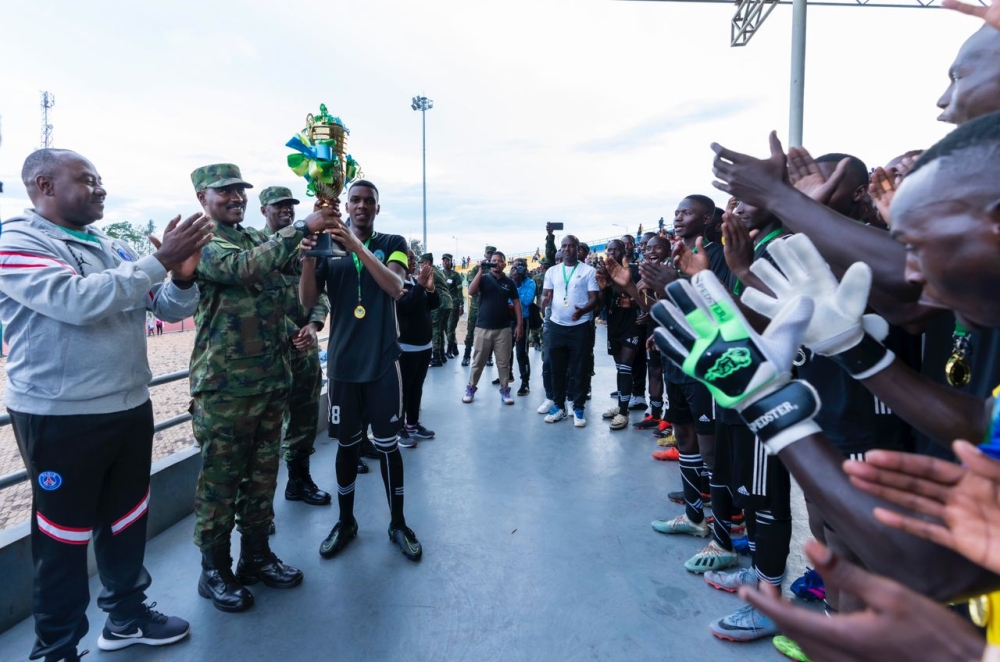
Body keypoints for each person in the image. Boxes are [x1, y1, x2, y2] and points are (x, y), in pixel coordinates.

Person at [0, 148, 211, 661]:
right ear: (45, 185)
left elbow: (164, 307)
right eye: (87, 180)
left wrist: (182, 276)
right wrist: (157, 261)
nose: (101, 189)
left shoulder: (110, 244)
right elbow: (76, 301)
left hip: (129, 405)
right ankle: (56, 648)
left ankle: (126, 617)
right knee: (62, 537)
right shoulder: (17, 241)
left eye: (100, 180)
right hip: (60, 416)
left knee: (126, 519)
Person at [190, 164, 331, 613]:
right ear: (202, 198)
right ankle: (214, 569)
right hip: (225, 389)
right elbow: (243, 269)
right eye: (225, 191)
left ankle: (255, 556)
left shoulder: (253, 237)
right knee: (221, 483)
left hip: (271, 380)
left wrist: (316, 234)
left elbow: (286, 273)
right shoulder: (203, 241)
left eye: (240, 191)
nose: (236, 197)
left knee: (263, 477)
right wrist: (301, 228)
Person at [299, 179, 423, 562]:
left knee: (388, 448)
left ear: (377, 208)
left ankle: (398, 523)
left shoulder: (392, 243)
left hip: (383, 363)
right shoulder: (328, 246)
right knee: (347, 447)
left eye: (369, 201)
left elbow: (395, 286)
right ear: (347, 205)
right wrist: (308, 258)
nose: (362, 206)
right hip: (343, 367)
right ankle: (346, 522)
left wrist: (356, 246)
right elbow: (307, 300)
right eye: (355, 200)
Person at [652, 195, 732, 539]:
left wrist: (674, 283)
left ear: (707, 218)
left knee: (710, 449)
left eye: (687, 212)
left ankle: (725, 530)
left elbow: (721, 308)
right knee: (685, 437)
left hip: (705, 363)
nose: (678, 217)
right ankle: (693, 515)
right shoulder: (674, 255)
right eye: (676, 212)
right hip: (677, 360)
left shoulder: (717, 256)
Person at [258, 185, 332, 506]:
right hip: (271, 350)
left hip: (305, 347)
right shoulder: (257, 246)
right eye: (279, 205)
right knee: (267, 425)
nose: (286, 209)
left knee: (304, 416)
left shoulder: (307, 245)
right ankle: (259, 505)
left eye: (290, 205)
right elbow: (258, 298)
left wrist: (313, 325)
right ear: (264, 210)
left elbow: (320, 292)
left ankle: (299, 481)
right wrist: (291, 330)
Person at [540, 235, 600, 427]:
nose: (567, 249)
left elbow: (594, 299)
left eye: (571, 246)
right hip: (556, 326)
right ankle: (558, 406)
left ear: (577, 248)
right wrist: (544, 301)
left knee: (579, 369)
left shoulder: (588, 271)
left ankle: (578, 407)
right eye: (564, 246)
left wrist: (582, 311)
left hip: (579, 327)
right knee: (557, 369)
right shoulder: (552, 271)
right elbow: (545, 295)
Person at [463, 250, 522, 405]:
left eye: (499, 261)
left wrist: (519, 325)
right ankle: (471, 388)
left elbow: (517, 303)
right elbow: (471, 291)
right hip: (483, 327)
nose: (496, 263)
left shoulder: (509, 282)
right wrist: (480, 270)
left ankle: (505, 390)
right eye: (493, 260)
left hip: (503, 329)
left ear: (504, 263)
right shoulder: (483, 278)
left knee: (503, 363)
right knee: (478, 361)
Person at [597, 240, 642, 431]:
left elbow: (641, 297)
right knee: (619, 368)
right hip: (613, 324)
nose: (612, 252)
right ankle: (621, 406)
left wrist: (618, 287)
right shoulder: (603, 271)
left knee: (625, 367)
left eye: (617, 249)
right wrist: (602, 288)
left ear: (624, 251)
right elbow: (601, 305)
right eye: (610, 249)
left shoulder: (634, 270)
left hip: (632, 324)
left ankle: (623, 412)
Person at [397, 252, 440, 445]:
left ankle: (412, 425)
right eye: (410, 259)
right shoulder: (395, 284)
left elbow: (434, 304)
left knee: (416, 388)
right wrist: (421, 286)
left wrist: (430, 289)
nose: (414, 263)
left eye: (414, 259)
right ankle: (398, 429)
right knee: (403, 390)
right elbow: (404, 308)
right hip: (406, 348)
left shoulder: (416, 283)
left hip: (424, 346)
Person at [461, 245, 496, 366]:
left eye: (492, 253)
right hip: (476, 306)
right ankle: (466, 355)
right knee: (471, 330)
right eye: (488, 253)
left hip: (490, 307)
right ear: (485, 255)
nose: (490, 256)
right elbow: (471, 284)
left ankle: (489, 357)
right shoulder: (477, 268)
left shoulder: (496, 270)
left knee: (490, 332)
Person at [509, 257, 535, 396]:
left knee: (521, 353)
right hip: (509, 319)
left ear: (524, 269)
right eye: (514, 267)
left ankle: (525, 382)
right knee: (506, 350)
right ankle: (507, 375)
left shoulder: (530, 283)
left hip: (523, 320)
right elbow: (505, 299)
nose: (516, 270)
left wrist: (515, 286)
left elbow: (526, 301)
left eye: (519, 267)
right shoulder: (509, 281)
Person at [426, 252, 453, 367]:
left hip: (440, 302)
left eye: (422, 263)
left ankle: (436, 357)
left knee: (436, 329)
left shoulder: (430, 271)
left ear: (428, 262)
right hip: (447, 302)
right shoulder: (438, 271)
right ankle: (442, 355)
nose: (421, 266)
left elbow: (424, 285)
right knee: (441, 329)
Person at [442, 253, 464, 358]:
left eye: (448, 260)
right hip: (443, 305)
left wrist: (461, 305)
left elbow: (459, 291)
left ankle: (449, 350)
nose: (445, 262)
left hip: (453, 305)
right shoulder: (440, 274)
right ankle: (455, 348)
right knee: (446, 328)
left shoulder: (455, 275)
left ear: (451, 262)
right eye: (444, 260)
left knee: (450, 328)